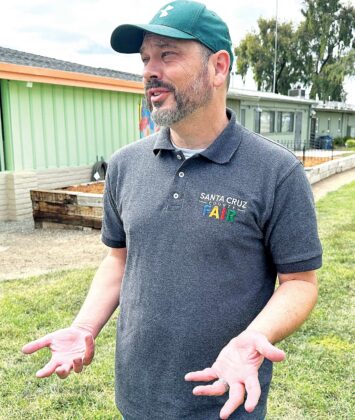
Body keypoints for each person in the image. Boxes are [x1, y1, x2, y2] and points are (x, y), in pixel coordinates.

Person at [22, 1, 322, 419]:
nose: (149, 70)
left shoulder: (276, 172)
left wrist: (254, 337)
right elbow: (118, 259)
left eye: (167, 54)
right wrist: (84, 328)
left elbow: (300, 283)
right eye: (145, 58)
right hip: (137, 397)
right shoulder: (125, 164)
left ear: (218, 67)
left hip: (224, 398)